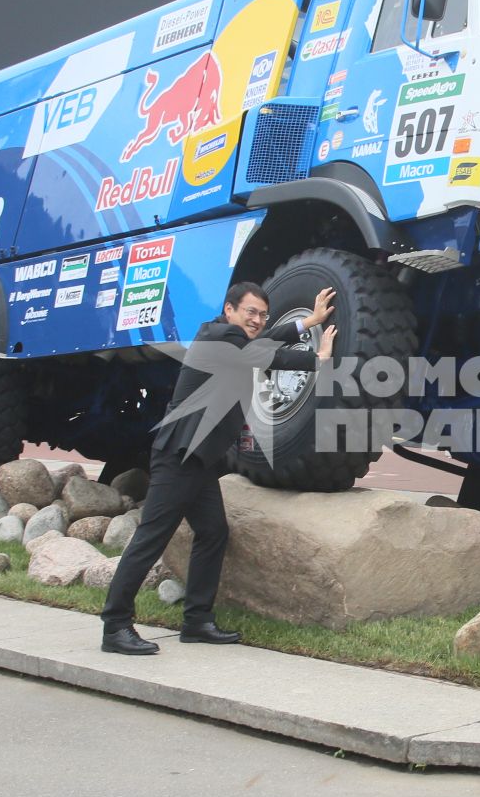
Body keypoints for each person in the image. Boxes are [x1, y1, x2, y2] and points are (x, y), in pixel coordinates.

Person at [98, 281, 336, 655]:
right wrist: (317, 360)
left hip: (200, 461)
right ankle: (115, 625)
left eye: (262, 314)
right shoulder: (221, 337)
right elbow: (264, 355)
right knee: (151, 539)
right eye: (249, 312)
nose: (257, 320)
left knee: (212, 532)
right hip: (179, 458)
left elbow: (262, 343)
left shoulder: (234, 339)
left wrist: (308, 322)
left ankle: (196, 621)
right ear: (229, 311)